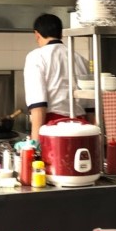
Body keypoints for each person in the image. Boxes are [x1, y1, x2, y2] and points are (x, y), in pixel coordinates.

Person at [24, 13, 93, 141]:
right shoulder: (81, 59)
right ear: (61, 34)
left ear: (37, 34)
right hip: (82, 128)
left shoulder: (36, 57)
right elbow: (91, 106)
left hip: (54, 129)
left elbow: (38, 103)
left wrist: (35, 143)